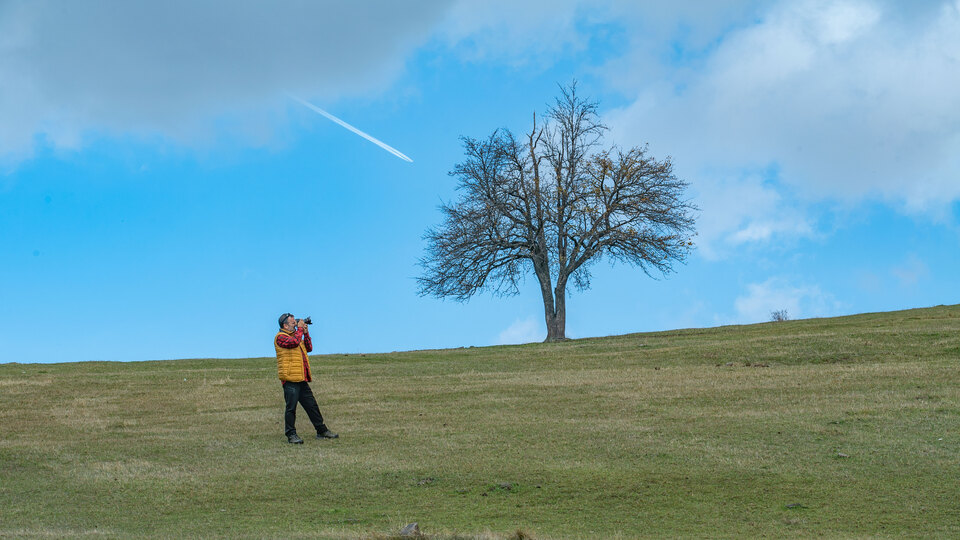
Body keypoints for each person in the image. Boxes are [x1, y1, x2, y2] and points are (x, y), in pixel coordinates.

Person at [274, 313, 338, 444]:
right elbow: (293, 343)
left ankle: (321, 430)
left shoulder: (296, 336)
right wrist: (300, 331)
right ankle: (291, 434)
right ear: (285, 325)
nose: (295, 325)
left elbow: (308, 348)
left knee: (312, 406)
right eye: (293, 323)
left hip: (301, 378)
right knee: (291, 408)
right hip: (290, 378)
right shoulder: (280, 337)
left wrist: (306, 333)